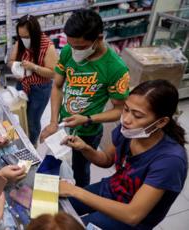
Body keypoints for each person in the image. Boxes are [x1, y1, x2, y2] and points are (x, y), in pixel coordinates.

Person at [59, 80, 188, 229]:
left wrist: (75, 191)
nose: (126, 119)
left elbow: (132, 215)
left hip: (130, 216)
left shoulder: (170, 161)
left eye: (138, 116)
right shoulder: (128, 131)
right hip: (112, 190)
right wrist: (85, 148)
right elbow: (107, 160)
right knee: (57, 205)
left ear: (161, 122)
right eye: (126, 109)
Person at [40, 9, 130, 187]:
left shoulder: (116, 68)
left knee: (80, 171)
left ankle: (80, 201)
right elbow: (57, 86)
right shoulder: (67, 51)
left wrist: (88, 119)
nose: (75, 51)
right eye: (72, 45)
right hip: (63, 124)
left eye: (80, 47)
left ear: (99, 39)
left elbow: (120, 110)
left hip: (89, 131)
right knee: (54, 163)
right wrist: (52, 122)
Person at [8, 14, 57, 145]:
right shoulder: (21, 42)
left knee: (32, 121)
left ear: (35, 33)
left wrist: (34, 67)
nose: (23, 40)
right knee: (20, 116)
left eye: (26, 37)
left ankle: (32, 144)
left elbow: (53, 73)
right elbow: (11, 61)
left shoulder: (47, 46)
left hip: (39, 89)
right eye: (21, 37)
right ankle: (22, 142)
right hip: (23, 84)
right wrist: (15, 68)